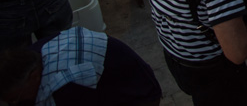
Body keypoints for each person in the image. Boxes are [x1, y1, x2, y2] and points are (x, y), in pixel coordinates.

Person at [0, 27, 162, 106]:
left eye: (16, 99)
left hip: (141, 96)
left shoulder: (67, 87)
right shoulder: (33, 53)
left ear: (33, 76)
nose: (15, 104)